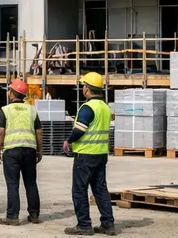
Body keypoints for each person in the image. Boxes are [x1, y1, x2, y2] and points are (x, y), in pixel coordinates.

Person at [63, 72, 115, 236]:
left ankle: (84, 225)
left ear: (87, 88)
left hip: (85, 156)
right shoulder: (106, 108)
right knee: (100, 190)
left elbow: (80, 129)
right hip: (101, 155)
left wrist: (69, 141)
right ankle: (108, 224)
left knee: (79, 190)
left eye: (83, 85)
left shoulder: (87, 108)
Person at [0, 78, 43, 225]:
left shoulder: (6, 110)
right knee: (31, 183)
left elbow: (0, 132)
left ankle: (12, 216)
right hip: (29, 150)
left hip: (11, 152)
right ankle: (34, 215)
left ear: (11, 93)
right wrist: (39, 151)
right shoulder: (31, 110)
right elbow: (39, 132)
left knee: (13, 184)